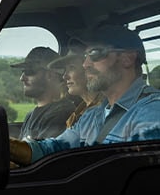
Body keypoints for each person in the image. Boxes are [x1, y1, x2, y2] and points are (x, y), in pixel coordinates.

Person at [10, 24, 160, 164]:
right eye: (86, 55)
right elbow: (52, 149)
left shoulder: (152, 113)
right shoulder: (91, 116)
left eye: (95, 54)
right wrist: (6, 146)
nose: (85, 64)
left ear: (127, 58)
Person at [13, 47, 78, 140]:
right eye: (23, 72)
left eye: (29, 72)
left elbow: (42, 152)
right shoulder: (30, 115)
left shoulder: (62, 114)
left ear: (50, 75)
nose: (22, 78)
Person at [50, 52, 101, 128]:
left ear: (88, 70)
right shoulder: (77, 114)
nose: (65, 76)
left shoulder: (102, 110)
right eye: (65, 70)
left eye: (72, 68)